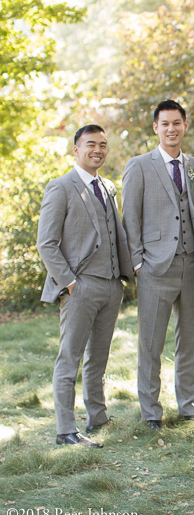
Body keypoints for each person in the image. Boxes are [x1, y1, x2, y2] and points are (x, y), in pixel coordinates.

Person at [37, 124, 135, 448]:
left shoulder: (107, 186)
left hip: (110, 287)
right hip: (80, 288)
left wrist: (123, 278)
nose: (98, 150)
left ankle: (98, 416)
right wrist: (70, 284)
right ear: (75, 150)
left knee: (99, 358)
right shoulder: (60, 187)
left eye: (103, 145)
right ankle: (66, 430)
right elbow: (46, 244)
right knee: (70, 358)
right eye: (91, 144)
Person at [122, 100, 194, 429]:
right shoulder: (139, 165)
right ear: (155, 128)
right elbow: (130, 218)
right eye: (165, 124)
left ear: (185, 126)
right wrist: (138, 264)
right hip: (155, 268)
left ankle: (188, 405)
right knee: (151, 344)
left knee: (190, 340)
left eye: (177, 123)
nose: (171, 129)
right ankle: (151, 412)